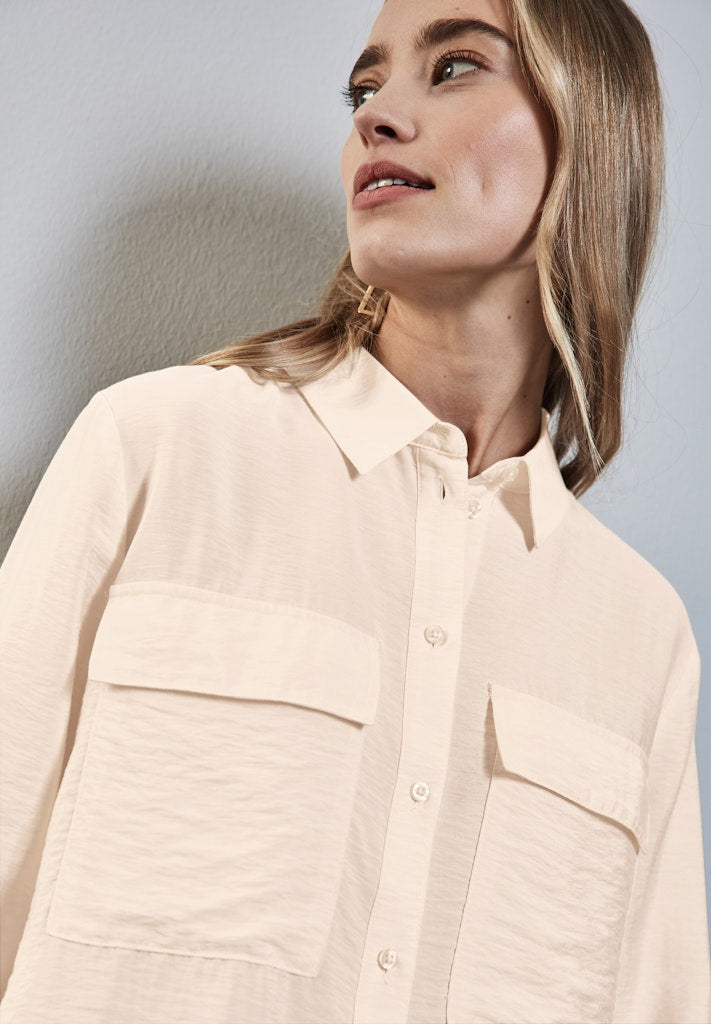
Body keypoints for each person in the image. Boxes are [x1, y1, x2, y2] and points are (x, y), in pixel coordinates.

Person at [1, 0, 709, 1020]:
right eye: (363, 89)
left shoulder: (640, 639)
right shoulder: (159, 451)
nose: (376, 116)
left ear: (589, 128)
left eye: (454, 67)